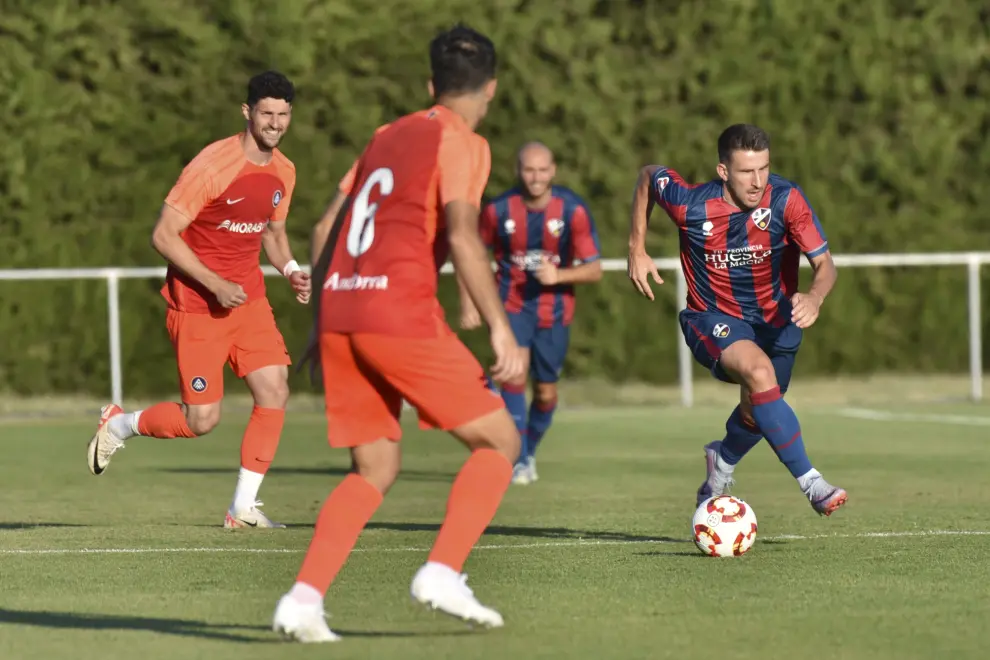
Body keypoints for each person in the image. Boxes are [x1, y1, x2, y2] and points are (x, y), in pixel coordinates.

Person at [271, 24, 526, 643]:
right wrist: (500, 329)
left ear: (430, 84)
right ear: (490, 89)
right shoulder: (464, 141)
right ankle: (442, 570)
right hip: (397, 312)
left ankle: (302, 601)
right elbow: (463, 235)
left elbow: (327, 227)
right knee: (499, 443)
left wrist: (321, 321)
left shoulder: (387, 134)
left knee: (374, 469)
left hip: (343, 311)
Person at [86, 71, 311, 529]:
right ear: (247, 112)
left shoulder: (284, 171)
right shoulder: (212, 166)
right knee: (201, 419)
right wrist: (215, 284)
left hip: (248, 302)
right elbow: (163, 236)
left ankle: (242, 508)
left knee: (275, 389)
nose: (274, 123)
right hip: (197, 305)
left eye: (283, 115)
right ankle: (118, 425)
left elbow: (274, 233)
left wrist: (290, 271)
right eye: (266, 113)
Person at [626, 123, 847, 517]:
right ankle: (812, 483)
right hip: (711, 318)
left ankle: (721, 464)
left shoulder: (787, 200)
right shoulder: (690, 205)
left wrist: (815, 296)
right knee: (760, 374)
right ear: (723, 171)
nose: (758, 181)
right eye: (747, 171)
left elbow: (825, 265)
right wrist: (636, 246)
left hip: (778, 323)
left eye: (764, 168)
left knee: (759, 409)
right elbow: (648, 175)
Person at [461, 142, 602, 485]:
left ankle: (526, 451)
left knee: (545, 394)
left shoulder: (572, 210)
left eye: (542, 170)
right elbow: (472, 255)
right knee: (512, 374)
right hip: (510, 306)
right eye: (528, 169)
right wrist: (469, 303)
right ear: (517, 171)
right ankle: (518, 459)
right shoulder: (498, 211)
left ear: (552, 171)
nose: (535, 177)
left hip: (554, 313)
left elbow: (594, 269)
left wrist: (560, 276)